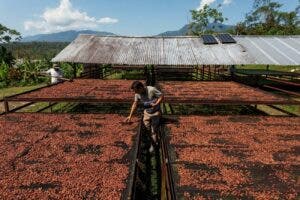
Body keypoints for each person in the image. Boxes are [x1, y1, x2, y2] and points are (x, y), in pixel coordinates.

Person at [126, 81, 164, 152]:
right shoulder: (137, 94)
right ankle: (147, 143)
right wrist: (130, 116)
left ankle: (154, 145)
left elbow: (161, 96)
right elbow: (135, 104)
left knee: (153, 130)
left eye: (136, 91)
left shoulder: (151, 90)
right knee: (146, 128)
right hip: (147, 112)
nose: (135, 93)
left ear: (141, 87)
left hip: (155, 112)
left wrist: (156, 103)